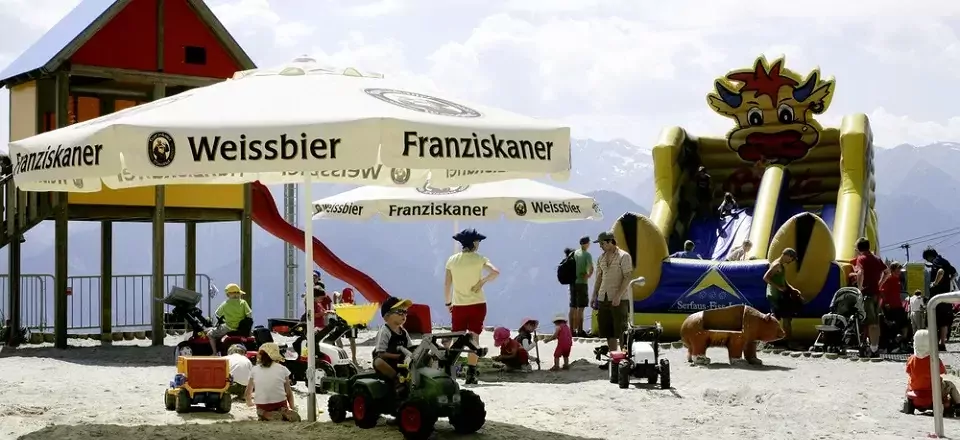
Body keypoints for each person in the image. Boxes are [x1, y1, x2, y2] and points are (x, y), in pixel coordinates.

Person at [445, 228, 499, 385]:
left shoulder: (452, 260)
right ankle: (471, 374)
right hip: (478, 304)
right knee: (474, 337)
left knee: (457, 338)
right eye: (478, 241)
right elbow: (495, 272)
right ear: (474, 243)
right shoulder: (480, 258)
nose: (479, 244)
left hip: (459, 304)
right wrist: (481, 282)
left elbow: (447, 284)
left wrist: (448, 302)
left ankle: (450, 372)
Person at [591, 231, 634, 358]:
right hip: (603, 297)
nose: (600, 246)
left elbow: (627, 277)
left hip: (619, 298)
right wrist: (594, 295)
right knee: (607, 329)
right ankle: (613, 358)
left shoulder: (624, 256)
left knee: (621, 330)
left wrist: (618, 296)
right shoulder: (601, 258)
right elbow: (599, 278)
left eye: (602, 243)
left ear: (610, 242)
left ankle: (625, 357)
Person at [853, 237, 890, 358]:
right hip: (876, 294)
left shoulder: (861, 259)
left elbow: (860, 273)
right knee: (875, 322)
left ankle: (872, 350)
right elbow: (887, 272)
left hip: (867, 294)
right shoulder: (876, 259)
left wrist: (859, 287)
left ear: (859, 248)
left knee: (870, 322)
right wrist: (880, 283)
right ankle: (875, 346)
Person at [245, 342, 300, 421]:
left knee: (260, 411)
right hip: (280, 402)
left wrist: (249, 402)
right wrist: (292, 407)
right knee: (282, 406)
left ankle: (266, 414)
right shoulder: (283, 369)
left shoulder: (254, 370)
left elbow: (248, 392)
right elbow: (288, 392)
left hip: (263, 404)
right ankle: (284, 411)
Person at [906, 329, 960, 405]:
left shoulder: (911, 359)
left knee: (909, 383)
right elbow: (942, 371)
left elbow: (908, 371)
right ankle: (958, 404)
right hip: (933, 389)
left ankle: (907, 400)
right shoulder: (934, 360)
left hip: (916, 388)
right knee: (950, 385)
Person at [372, 297, 414, 392]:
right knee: (378, 362)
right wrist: (398, 356)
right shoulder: (385, 331)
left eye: (405, 312)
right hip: (388, 363)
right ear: (387, 316)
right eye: (400, 312)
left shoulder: (403, 332)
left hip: (402, 362)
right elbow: (381, 353)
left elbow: (410, 348)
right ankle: (396, 380)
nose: (403, 315)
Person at [764, 248, 802, 345]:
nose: (791, 261)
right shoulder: (776, 265)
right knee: (785, 317)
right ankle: (788, 341)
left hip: (779, 294)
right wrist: (779, 288)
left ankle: (776, 340)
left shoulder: (781, 266)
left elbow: (782, 280)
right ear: (787, 255)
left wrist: (792, 289)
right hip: (775, 295)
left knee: (782, 317)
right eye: (792, 259)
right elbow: (766, 278)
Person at [924, 248, 957, 351]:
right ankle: (942, 343)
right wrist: (947, 282)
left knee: (933, 319)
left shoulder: (936, 261)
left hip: (937, 296)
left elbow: (941, 271)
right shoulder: (945, 261)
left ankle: (933, 343)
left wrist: (935, 283)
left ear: (929, 256)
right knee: (944, 321)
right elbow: (955, 274)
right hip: (945, 295)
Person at [208, 283, 253, 355]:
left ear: (228, 294)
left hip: (228, 327)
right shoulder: (243, 303)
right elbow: (249, 315)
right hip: (241, 329)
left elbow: (217, 314)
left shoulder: (225, 304)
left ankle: (214, 352)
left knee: (210, 334)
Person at [880, 261, 908, 350]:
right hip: (890, 306)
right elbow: (882, 291)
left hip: (898, 306)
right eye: (898, 269)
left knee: (905, 324)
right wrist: (886, 303)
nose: (900, 271)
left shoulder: (898, 279)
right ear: (893, 270)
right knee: (892, 326)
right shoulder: (888, 278)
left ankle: (901, 341)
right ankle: (892, 344)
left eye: (900, 269)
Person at [570, 236, 594, 337]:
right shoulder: (587, 255)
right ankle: (580, 330)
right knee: (581, 308)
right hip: (582, 283)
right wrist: (588, 275)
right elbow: (591, 268)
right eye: (588, 243)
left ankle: (571, 330)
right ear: (586, 244)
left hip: (572, 283)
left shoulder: (574, 253)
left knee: (573, 307)